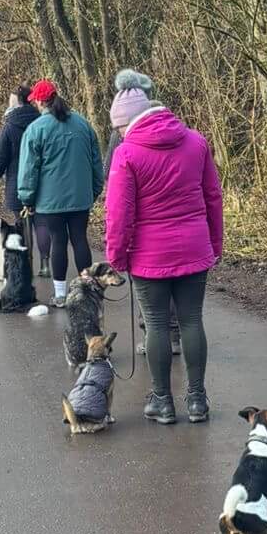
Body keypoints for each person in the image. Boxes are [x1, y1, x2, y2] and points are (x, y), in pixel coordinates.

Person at [104, 78, 223, 425]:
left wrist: (117, 255)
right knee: (191, 321)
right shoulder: (196, 142)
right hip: (194, 245)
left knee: (156, 324)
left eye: (120, 127)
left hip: (148, 254)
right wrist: (215, 243)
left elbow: (119, 212)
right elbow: (213, 196)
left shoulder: (127, 154)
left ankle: (162, 401)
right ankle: (197, 400)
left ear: (131, 120)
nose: (120, 133)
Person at [104, 68, 180, 359]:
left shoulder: (124, 131)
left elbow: (114, 183)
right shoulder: (172, 125)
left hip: (143, 227)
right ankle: (173, 334)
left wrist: (117, 247)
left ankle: (151, 334)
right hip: (182, 224)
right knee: (177, 287)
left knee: (148, 289)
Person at [16, 79, 105, 305]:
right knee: (80, 240)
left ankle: (60, 294)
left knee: (58, 241)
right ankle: (87, 290)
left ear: (39, 101)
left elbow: (28, 169)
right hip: (80, 197)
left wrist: (27, 198)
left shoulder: (35, 130)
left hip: (50, 201)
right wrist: (94, 190)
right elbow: (96, 162)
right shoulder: (83, 124)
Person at [0, 85, 39, 218]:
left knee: (20, 226)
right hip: (41, 182)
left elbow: (1, 158)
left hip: (16, 182)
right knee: (42, 227)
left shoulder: (9, 127)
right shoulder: (41, 122)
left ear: (17, 102)